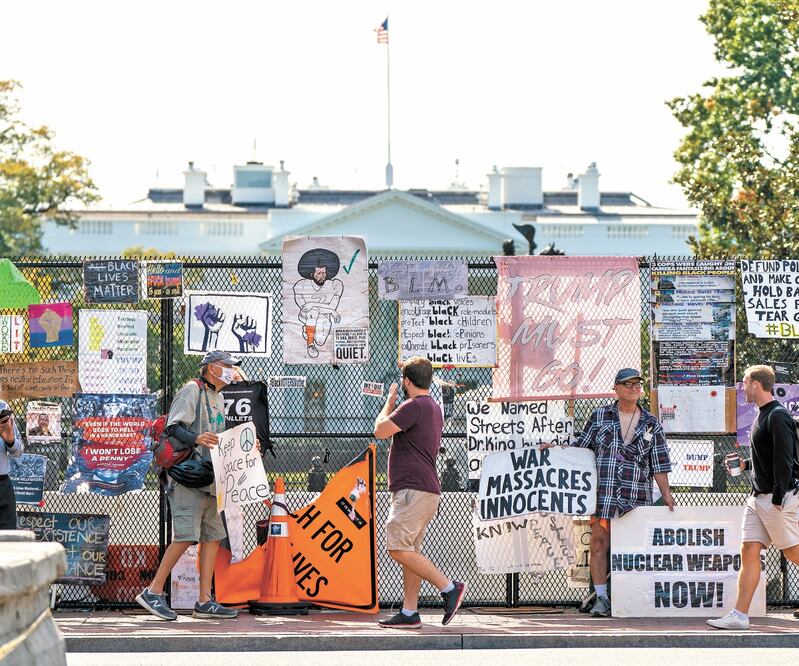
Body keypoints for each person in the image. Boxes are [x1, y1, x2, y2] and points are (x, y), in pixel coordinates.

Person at [136, 350, 242, 621]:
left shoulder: (219, 397)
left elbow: (218, 438)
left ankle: (204, 600)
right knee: (185, 535)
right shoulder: (192, 390)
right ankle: (153, 591)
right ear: (210, 368)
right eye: (226, 365)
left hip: (209, 476)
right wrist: (197, 439)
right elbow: (174, 429)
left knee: (213, 535)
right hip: (187, 476)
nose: (231, 370)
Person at [373, 356, 467, 629]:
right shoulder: (434, 407)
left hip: (413, 489)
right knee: (410, 551)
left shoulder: (412, 406)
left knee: (397, 547)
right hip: (425, 490)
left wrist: (389, 401)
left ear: (406, 381)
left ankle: (449, 588)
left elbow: (380, 430)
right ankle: (410, 611)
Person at [572, 368, 674, 618]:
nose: (633, 388)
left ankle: (633, 597)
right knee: (598, 545)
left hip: (636, 497)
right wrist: (554, 450)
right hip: (604, 494)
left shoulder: (651, 422)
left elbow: (659, 464)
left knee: (635, 549)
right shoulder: (600, 416)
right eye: (627, 384)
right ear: (616, 388)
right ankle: (602, 599)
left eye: (637, 383)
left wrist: (668, 495)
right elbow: (580, 448)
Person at [707, 365, 799, 630]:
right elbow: (769, 456)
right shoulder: (762, 414)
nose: (742, 387)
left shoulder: (778, 416)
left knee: (793, 553)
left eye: (745, 382)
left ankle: (739, 614)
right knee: (749, 550)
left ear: (757, 385)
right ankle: (739, 615)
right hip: (757, 498)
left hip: (775, 498)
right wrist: (747, 464)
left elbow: (785, 460)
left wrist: (779, 498)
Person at [292, 248, 343, 358]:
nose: (322, 275)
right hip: (306, 316)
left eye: (324, 273)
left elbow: (332, 306)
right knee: (313, 312)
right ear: (312, 274)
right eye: (319, 273)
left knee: (320, 341)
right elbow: (305, 308)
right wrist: (331, 311)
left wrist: (313, 304)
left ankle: (307, 331)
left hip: (324, 316)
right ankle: (310, 344)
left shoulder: (335, 285)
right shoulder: (301, 286)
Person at [0, 402, 23, 530]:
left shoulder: (3, 408)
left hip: (3, 484)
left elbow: (18, 452)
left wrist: (10, 441)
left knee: (8, 533)